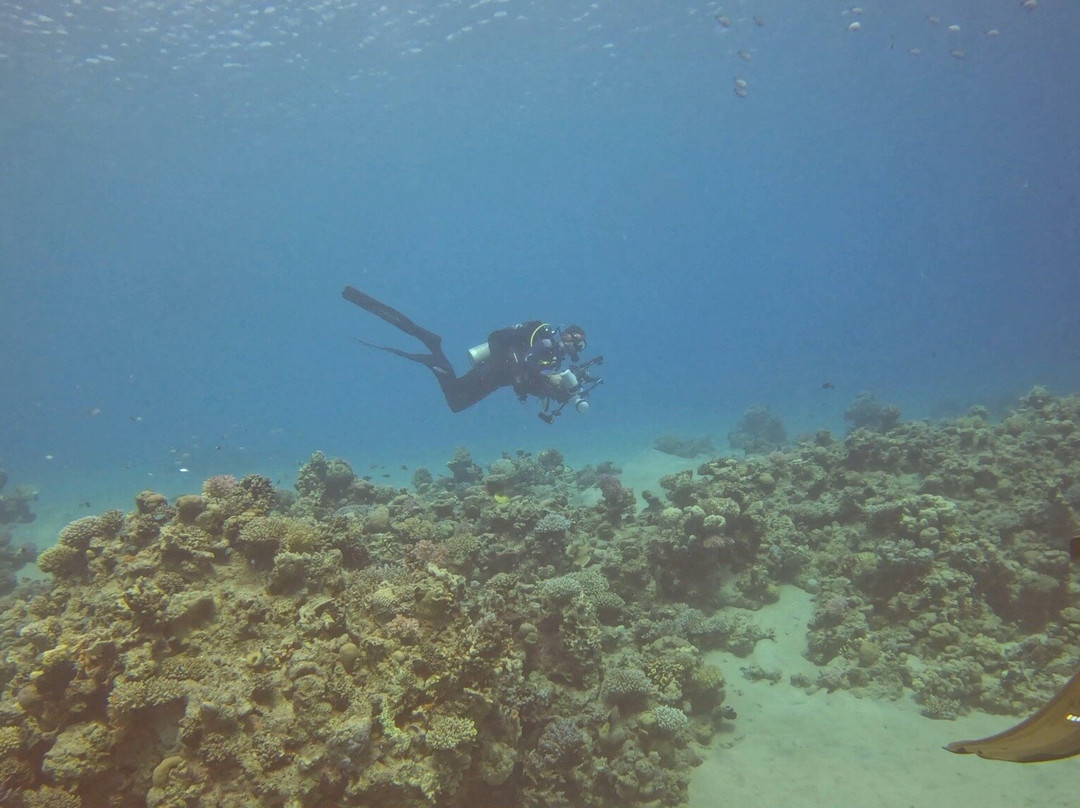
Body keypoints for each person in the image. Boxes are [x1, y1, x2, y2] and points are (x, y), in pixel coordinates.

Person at [342, 286, 595, 417]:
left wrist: (550, 390)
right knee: (455, 396)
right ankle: (432, 346)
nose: (576, 345)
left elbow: (526, 381)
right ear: (566, 333)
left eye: (580, 344)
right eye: (575, 338)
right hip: (493, 370)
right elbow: (497, 338)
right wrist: (534, 375)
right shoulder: (539, 333)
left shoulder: (553, 359)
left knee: (456, 404)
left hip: (497, 381)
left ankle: (433, 354)